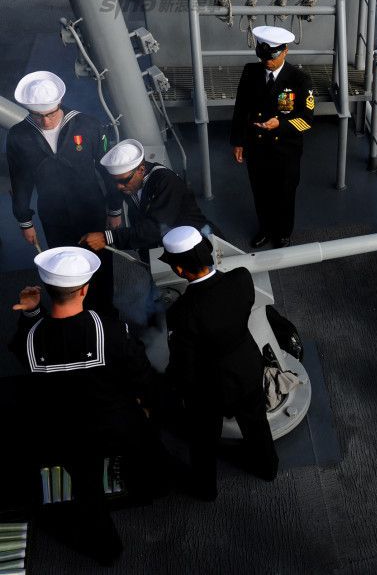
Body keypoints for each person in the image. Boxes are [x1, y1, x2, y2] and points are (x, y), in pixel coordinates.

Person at [9, 247, 162, 564]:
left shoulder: (29, 339)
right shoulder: (110, 329)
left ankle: (107, 552)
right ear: (84, 289)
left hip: (69, 435)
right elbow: (141, 373)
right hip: (118, 425)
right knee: (145, 444)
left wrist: (31, 313)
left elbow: (27, 351)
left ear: (47, 289)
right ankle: (150, 487)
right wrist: (147, 404)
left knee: (87, 492)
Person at [159, 226, 278, 501]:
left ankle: (206, 490)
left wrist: (173, 388)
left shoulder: (181, 313)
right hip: (247, 369)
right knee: (257, 425)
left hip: (209, 387)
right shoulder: (241, 279)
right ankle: (268, 468)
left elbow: (184, 363)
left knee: (203, 440)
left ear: (179, 270)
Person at [8, 71, 122, 312]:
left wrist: (115, 209)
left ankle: (106, 315)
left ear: (59, 103)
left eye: (50, 114)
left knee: (100, 265)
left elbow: (107, 170)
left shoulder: (89, 125)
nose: (45, 122)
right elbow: (20, 181)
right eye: (38, 115)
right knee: (62, 270)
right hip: (53, 215)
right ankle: (73, 315)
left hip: (91, 210)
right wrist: (25, 221)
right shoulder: (18, 135)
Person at [230, 25, 315, 249]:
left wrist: (281, 124)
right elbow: (241, 109)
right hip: (257, 147)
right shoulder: (250, 72)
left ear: (285, 51)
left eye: (272, 57)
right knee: (260, 192)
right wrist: (238, 141)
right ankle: (265, 229)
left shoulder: (300, 80)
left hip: (285, 150)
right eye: (263, 56)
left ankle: (283, 233)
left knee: (285, 194)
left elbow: (307, 120)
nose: (267, 62)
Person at [80, 139, 208, 256]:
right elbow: (116, 190)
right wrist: (114, 212)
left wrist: (107, 237)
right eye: (115, 181)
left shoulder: (166, 181)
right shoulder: (128, 181)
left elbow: (156, 228)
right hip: (163, 243)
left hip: (194, 244)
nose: (119, 187)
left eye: (124, 181)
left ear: (141, 169)